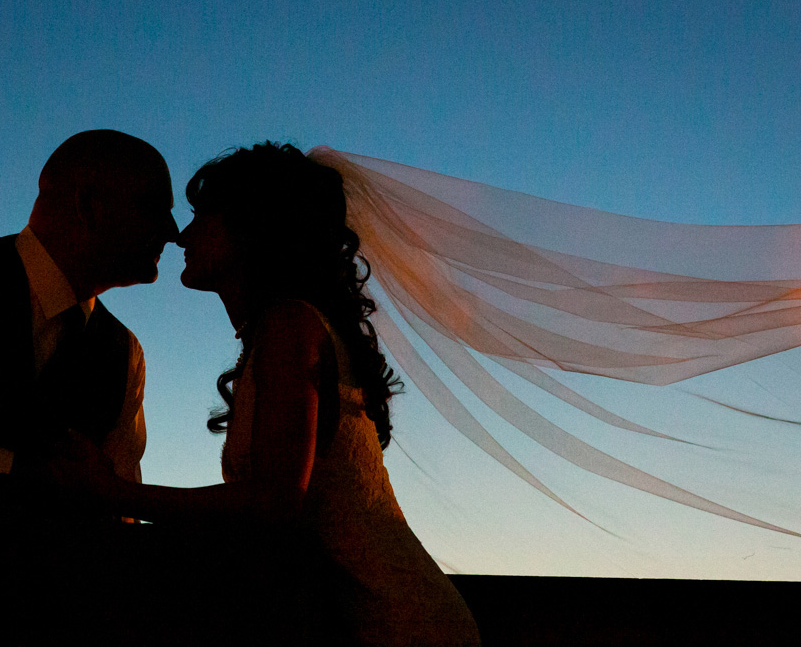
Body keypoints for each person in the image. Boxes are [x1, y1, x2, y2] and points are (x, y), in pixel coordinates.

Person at [53, 142, 481, 645]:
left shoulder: (288, 325)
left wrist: (108, 491)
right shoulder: (278, 331)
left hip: (396, 621)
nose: (181, 235)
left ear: (252, 228)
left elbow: (273, 504)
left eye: (203, 217)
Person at [0, 129, 179, 638]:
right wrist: (7, 471)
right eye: (154, 206)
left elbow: (118, 499)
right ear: (88, 203)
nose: (173, 231)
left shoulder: (126, 354)